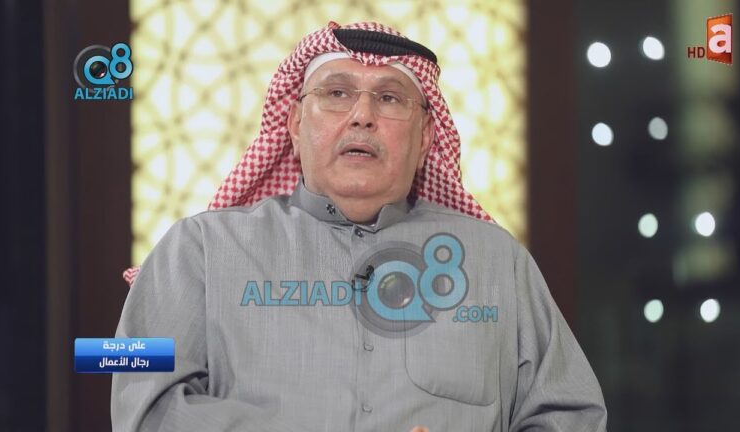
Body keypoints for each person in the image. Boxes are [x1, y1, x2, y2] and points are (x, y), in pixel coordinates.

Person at [112, 21, 607, 432]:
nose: (362, 116)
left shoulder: (497, 262)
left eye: (389, 98)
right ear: (294, 123)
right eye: (337, 93)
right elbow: (144, 405)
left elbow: (571, 415)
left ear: (426, 136)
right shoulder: (195, 248)